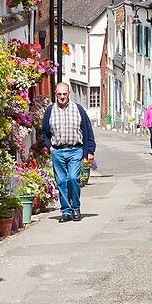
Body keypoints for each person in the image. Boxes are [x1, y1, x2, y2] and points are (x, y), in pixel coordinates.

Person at [41, 83, 96, 222]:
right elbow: (44, 132)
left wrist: (90, 150)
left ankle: (75, 207)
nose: (62, 97)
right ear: (55, 94)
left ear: (69, 94)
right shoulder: (50, 110)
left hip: (75, 150)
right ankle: (66, 211)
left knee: (73, 178)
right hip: (57, 151)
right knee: (61, 181)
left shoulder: (78, 109)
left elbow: (88, 131)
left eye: (64, 94)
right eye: (59, 94)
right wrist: (49, 147)